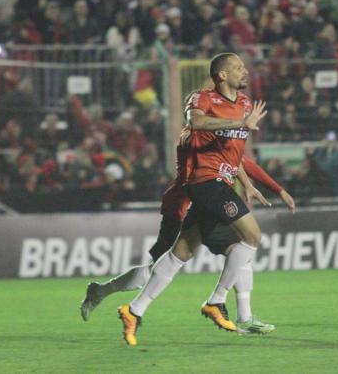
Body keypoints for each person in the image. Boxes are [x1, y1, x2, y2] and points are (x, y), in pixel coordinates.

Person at [117, 53, 271, 345]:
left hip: (222, 180)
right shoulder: (202, 98)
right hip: (205, 180)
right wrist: (241, 122)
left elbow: (233, 154)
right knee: (251, 236)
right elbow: (196, 122)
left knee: (181, 252)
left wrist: (247, 183)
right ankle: (217, 300)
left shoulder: (246, 104)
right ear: (222, 75)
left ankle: (134, 310)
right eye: (238, 67)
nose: (245, 71)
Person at [79, 147, 295, 323]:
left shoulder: (216, 138)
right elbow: (237, 164)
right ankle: (102, 292)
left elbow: (243, 163)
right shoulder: (200, 138)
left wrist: (278, 190)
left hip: (203, 209)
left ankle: (244, 316)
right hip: (182, 210)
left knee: (241, 248)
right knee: (154, 271)